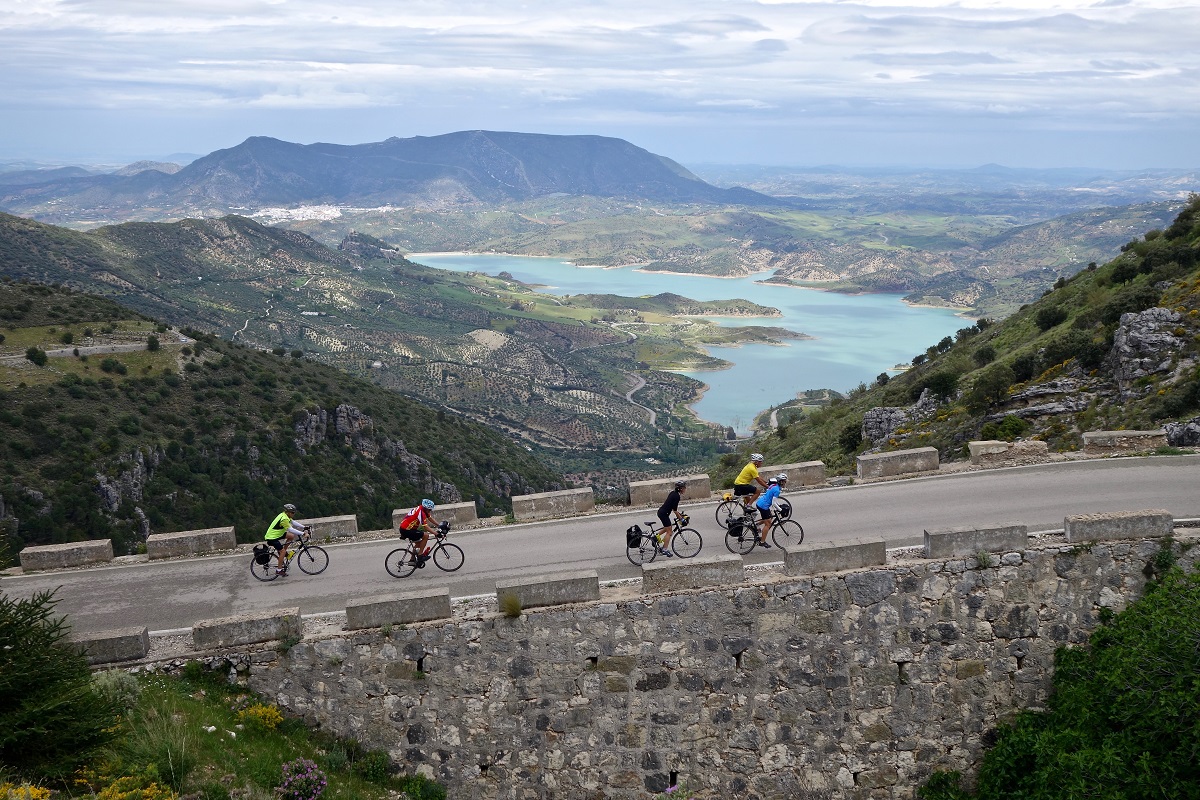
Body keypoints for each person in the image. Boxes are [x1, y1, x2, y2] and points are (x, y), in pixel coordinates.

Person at [264, 503, 309, 576]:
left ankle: (282, 553)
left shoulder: (285, 515)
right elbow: (291, 529)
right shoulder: (284, 519)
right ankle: (279, 570)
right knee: (283, 551)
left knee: (291, 536)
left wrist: (304, 527)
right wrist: (303, 533)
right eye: (292, 513)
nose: (293, 514)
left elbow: (293, 522)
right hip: (272, 537)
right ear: (288, 512)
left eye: (294, 513)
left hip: (277, 534)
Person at [398, 499, 439, 565]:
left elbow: (430, 518)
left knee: (419, 544)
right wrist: (435, 533)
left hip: (407, 528)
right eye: (429, 510)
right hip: (406, 530)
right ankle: (420, 556)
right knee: (426, 536)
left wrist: (439, 525)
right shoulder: (421, 513)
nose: (430, 511)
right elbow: (425, 527)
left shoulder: (422, 509)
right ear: (426, 508)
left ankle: (412, 560)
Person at [655, 480, 688, 558]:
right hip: (664, 514)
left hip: (662, 512)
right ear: (680, 489)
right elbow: (675, 510)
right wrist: (682, 519)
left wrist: (680, 515)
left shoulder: (673, 493)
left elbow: (673, 508)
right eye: (684, 488)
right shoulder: (677, 496)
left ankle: (655, 537)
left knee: (667, 528)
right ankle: (664, 549)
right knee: (669, 532)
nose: (685, 489)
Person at [754, 473, 788, 548]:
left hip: (761, 502)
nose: (785, 483)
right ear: (781, 482)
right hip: (763, 506)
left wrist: (779, 506)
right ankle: (762, 542)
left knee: (770, 517)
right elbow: (773, 503)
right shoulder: (777, 490)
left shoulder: (774, 485)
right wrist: (781, 510)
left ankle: (757, 524)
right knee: (768, 524)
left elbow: (774, 500)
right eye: (784, 481)